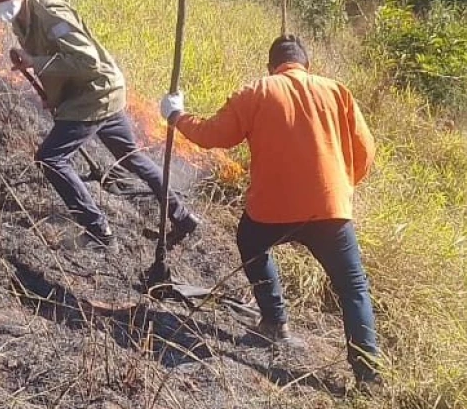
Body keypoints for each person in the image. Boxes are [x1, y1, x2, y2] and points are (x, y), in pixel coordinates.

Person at [159, 35, 382, 389]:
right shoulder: (337, 91)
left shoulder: (257, 91)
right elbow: (366, 151)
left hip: (271, 212)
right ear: (307, 66)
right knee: (354, 288)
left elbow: (213, 135)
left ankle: (275, 322)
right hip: (331, 211)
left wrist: (176, 115)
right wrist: (341, 188)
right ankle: (369, 377)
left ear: (270, 66)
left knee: (250, 241)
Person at [0, 0, 199, 250]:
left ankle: (98, 231)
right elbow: (54, 60)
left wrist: (37, 62)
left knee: (51, 158)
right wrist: (47, 88)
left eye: (4, 0)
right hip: (91, 91)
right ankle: (182, 217)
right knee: (130, 157)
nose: (0, 9)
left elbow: (86, 61)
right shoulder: (20, 19)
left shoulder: (51, 14)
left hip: (96, 92)